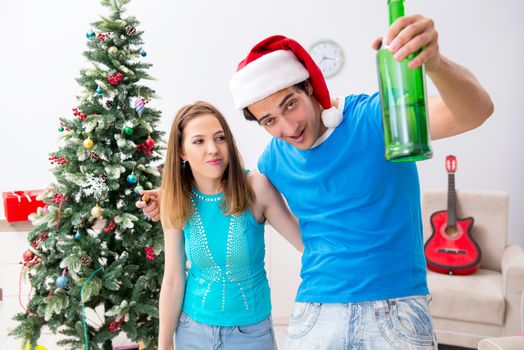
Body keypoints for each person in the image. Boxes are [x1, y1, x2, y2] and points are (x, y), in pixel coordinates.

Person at [142, 15, 494, 350]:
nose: (288, 127)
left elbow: (476, 112)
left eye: (290, 104)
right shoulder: (274, 159)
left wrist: (435, 64)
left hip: (395, 306)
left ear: (309, 85)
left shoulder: (374, 119)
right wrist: (173, 191)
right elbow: (226, 187)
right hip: (316, 311)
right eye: (269, 120)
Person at [156, 101, 303, 350]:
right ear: (181, 152)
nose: (213, 149)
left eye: (220, 138)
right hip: (191, 332)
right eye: (198, 141)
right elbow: (172, 278)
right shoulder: (175, 198)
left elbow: (305, 242)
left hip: (250, 334)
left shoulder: (256, 187)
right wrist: (163, 344)